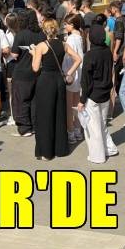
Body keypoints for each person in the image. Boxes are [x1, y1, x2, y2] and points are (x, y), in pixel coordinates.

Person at [30, 19, 83, 160]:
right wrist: (68, 73)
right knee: (59, 114)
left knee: (45, 116)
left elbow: (35, 68)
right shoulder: (64, 44)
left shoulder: (41, 46)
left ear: (44, 30)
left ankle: (47, 152)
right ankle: (60, 149)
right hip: (59, 80)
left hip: (45, 81)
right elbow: (78, 59)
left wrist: (33, 54)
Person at [77, 25, 119, 163]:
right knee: (102, 124)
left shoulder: (89, 55)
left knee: (93, 128)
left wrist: (82, 100)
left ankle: (97, 156)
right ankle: (109, 148)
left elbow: (86, 81)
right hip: (105, 93)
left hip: (92, 95)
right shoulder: (107, 51)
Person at [10, 10, 44, 137]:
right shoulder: (41, 34)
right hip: (38, 72)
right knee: (35, 100)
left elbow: (14, 54)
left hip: (22, 72)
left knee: (21, 100)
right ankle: (34, 126)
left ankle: (24, 128)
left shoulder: (20, 35)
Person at [63, 14, 85, 144]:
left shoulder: (71, 39)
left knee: (69, 106)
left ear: (72, 25)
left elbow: (68, 58)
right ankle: (77, 130)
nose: (64, 26)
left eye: (66, 24)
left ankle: (70, 132)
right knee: (76, 105)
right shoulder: (80, 36)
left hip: (71, 72)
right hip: (79, 72)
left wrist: (67, 73)